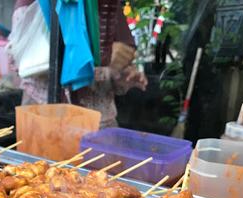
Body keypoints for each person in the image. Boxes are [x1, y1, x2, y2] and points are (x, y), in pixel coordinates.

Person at [12, 0, 147, 128]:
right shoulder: (34, 7)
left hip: (99, 127)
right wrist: (104, 71)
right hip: (47, 127)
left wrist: (124, 74)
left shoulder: (109, 7)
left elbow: (119, 62)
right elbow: (28, 69)